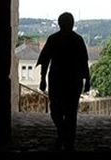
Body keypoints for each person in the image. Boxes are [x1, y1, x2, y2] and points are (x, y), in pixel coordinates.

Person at [37, 12, 91, 151]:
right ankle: (65, 136)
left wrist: (43, 78)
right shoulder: (76, 40)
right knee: (63, 111)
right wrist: (87, 80)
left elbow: (45, 60)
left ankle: (65, 138)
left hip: (60, 79)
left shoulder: (55, 39)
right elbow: (83, 62)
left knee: (62, 111)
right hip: (70, 80)